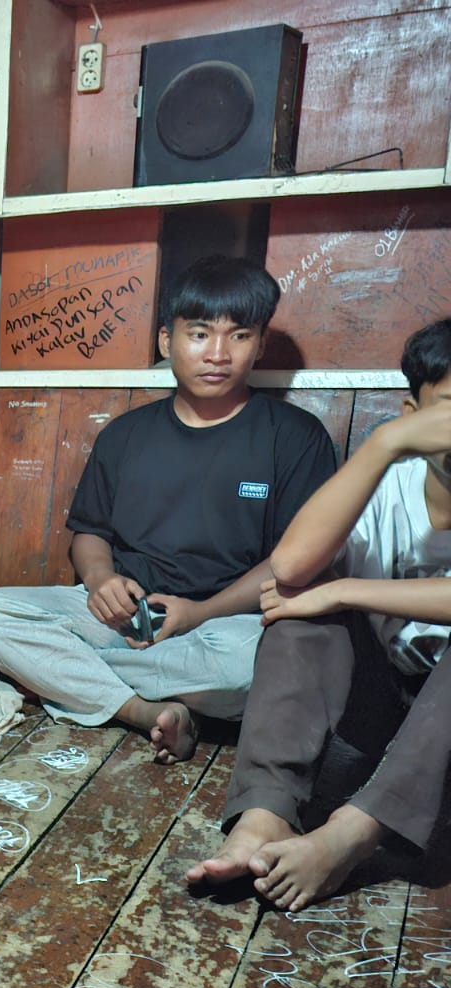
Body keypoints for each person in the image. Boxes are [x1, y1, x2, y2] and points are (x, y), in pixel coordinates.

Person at [0, 256, 337, 763]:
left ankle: (69, 678)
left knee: (256, 667)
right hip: (127, 619)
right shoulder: (126, 434)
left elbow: (293, 560)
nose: (218, 354)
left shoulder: (294, 437)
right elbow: (90, 532)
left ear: (260, 345)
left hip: (227, 624)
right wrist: (100, 580)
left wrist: (199, 613)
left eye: (239, 336)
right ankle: (143, 710)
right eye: (200, 334)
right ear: (167, 340)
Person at [187, 317, 451, 911]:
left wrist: (347, 590)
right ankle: (265, 813)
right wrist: (385, 443)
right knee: (300, 603)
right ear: (413, 413)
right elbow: (290, 567)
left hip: (441, 744)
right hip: (379, 715)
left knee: (328, 591)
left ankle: (349, 835)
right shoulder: (390, 479)